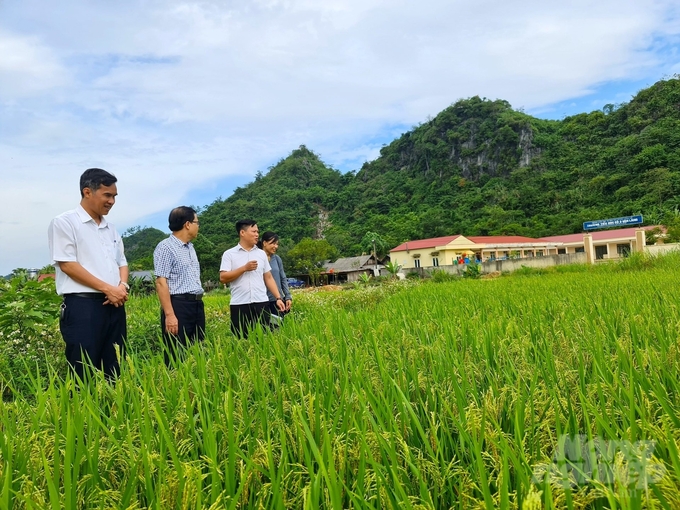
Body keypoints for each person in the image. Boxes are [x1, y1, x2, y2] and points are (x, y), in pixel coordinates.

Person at [48, 168, 129, 381]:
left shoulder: (111, 228)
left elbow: (122, 262)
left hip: (115, 305)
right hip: (83, 308)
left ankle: (113, 410)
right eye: (107, 195)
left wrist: (122, 286)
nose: (112, 201)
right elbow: (67, 265)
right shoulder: (65, 222)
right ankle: (83, 413)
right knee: (83, 372)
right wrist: (108, 288)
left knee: (115, 367)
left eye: (114, 196)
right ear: (87, 192)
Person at [153, 206, 205, 365]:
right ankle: (175, 385)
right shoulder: (165, 247)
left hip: (196, 304)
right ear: (188, 224)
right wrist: (169, 315)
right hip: (178, 305)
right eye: (197, 222)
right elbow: (161, 282)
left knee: (198, 351)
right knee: (176, 354)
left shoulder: (190, 247)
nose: (198, 226)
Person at [219, 220, 286, 338]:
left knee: (265, 337)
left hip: (261, 303)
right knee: (240, 338)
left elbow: (268, 277)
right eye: (254, 231)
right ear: (242, 233)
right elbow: (223, 277)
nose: (257, 235)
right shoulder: (229, 254)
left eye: (258, 232)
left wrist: (278, 298)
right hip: (239, 304)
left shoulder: (261, 254)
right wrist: (244, 268)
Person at [257, 231, 292, 322]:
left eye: (277, 244)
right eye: (273, 243)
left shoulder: (276, 259)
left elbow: (283, 278)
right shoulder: (257, 258)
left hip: (277, 300)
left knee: (277, 329)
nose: (276, 246)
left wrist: (287, 296)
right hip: (261, 301)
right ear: (264, 243)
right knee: (263, 329)